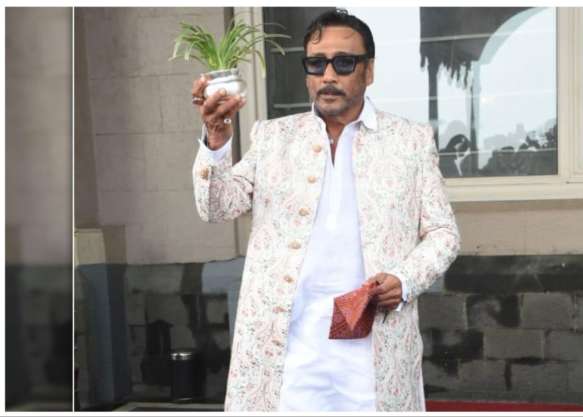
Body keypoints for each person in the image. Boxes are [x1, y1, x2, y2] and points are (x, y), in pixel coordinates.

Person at [190, 9, 460, 412]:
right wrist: (216, 139)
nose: (328, 75)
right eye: (317, 63)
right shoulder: (274, 137)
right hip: (286, 350)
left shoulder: (409, 141)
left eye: (344, 62)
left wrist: (405, 280)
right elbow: (216, 207)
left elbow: (444, 233)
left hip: (373, 350)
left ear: (369, 71)